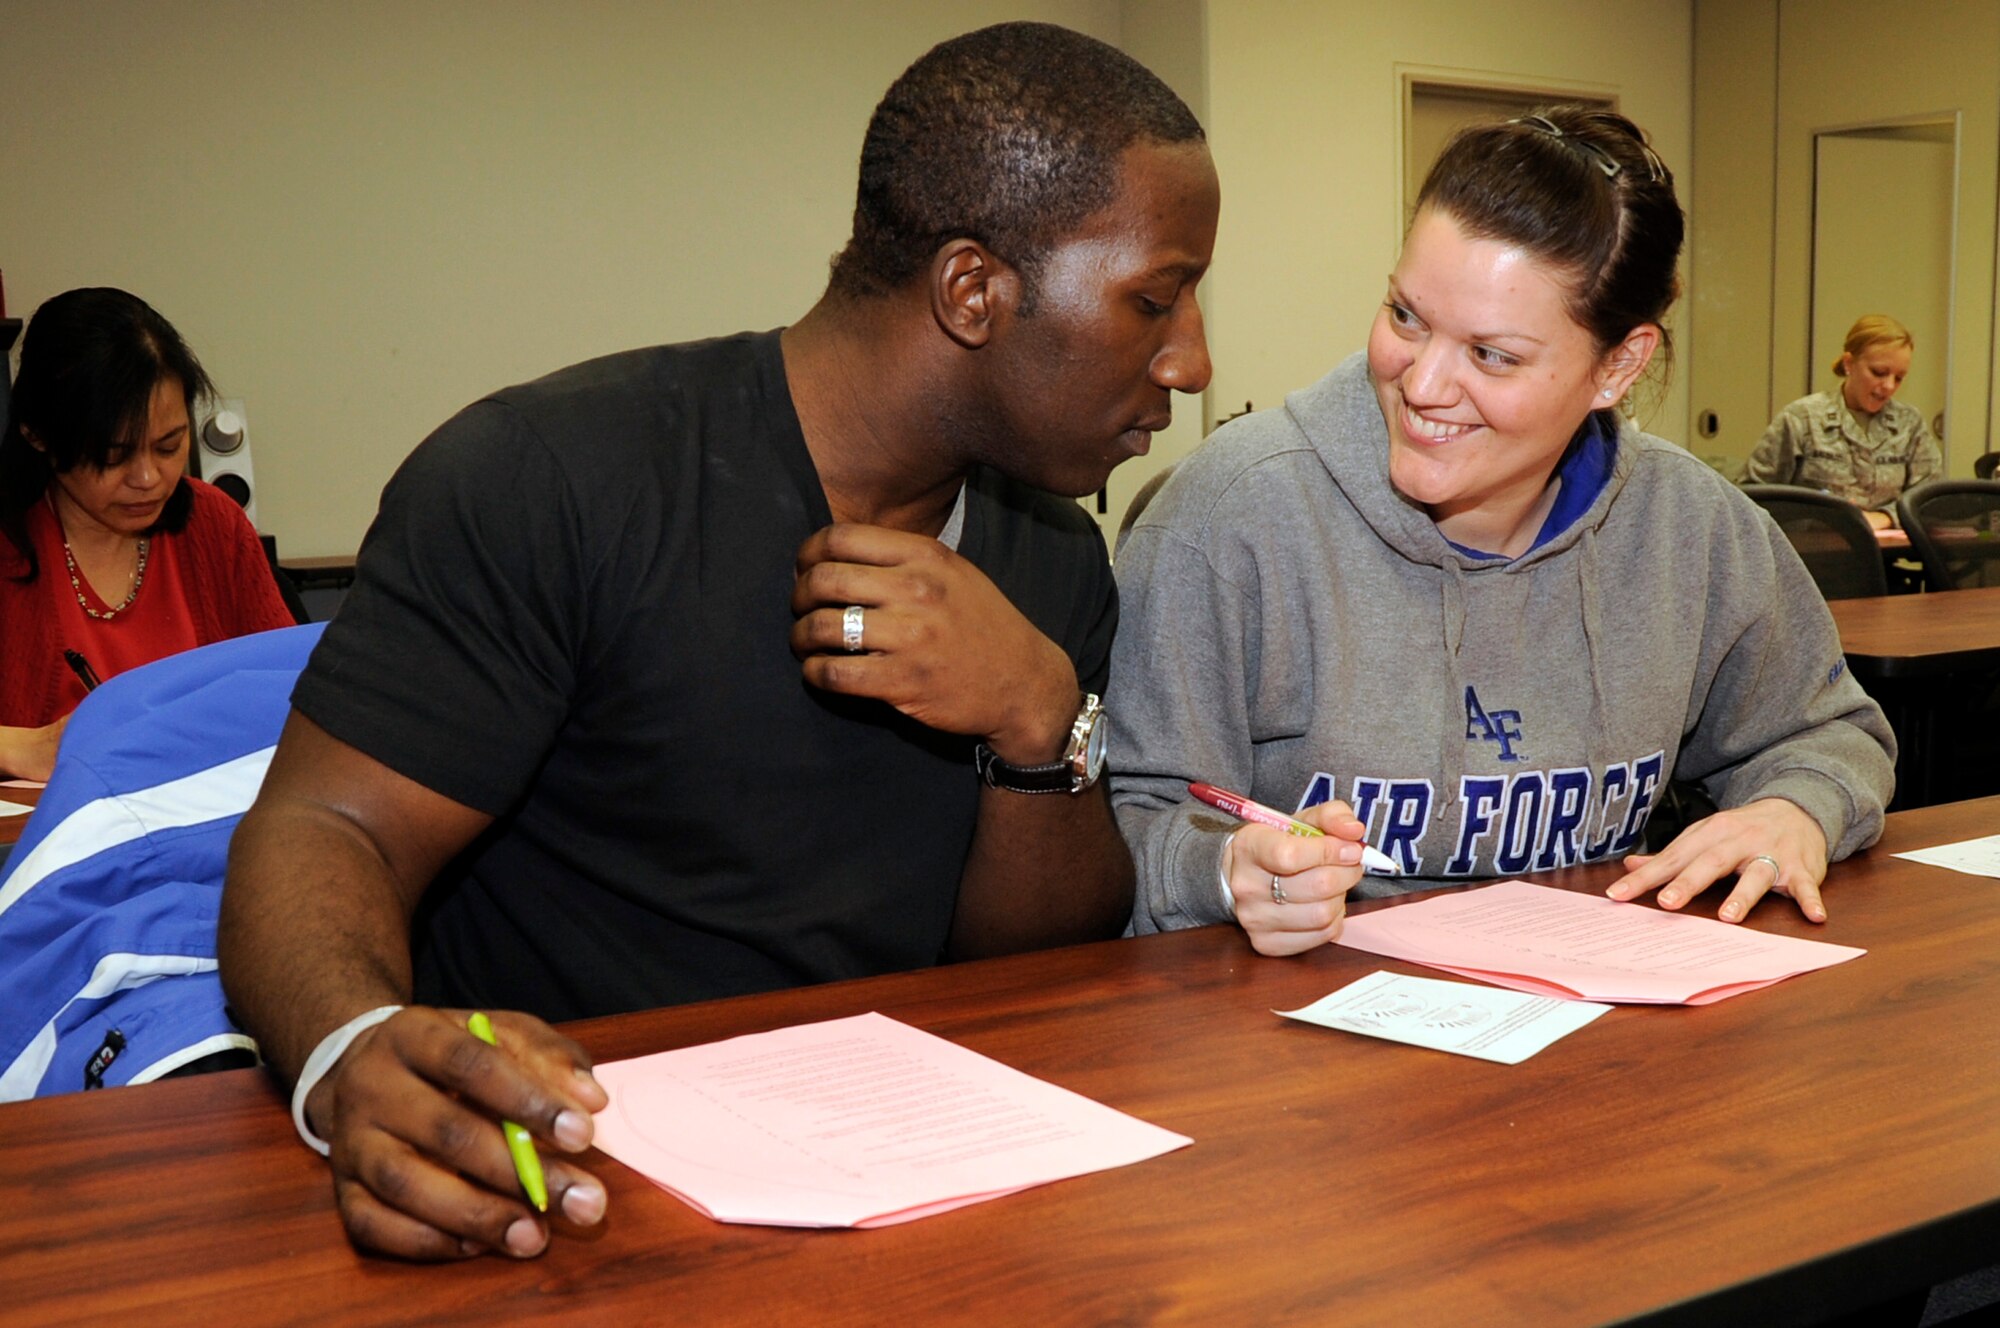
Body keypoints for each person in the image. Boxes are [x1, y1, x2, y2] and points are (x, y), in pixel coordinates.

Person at [218, 22, 1217, 1262]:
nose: (1190, 358)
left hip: (903, 1187)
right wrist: (349, 1050)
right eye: (1154, 298)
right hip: (564, 1189)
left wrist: (1036, 714)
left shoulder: (1050, 553)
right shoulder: (556, 477)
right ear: (971, 292)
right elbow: (328, 826)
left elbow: (1029, 969)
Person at [1110, 107, 1894, 961]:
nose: (1425, 383)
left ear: (1619, 366)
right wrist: (1221, 870)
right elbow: (1128, 821)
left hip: (1599, 1032)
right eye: (1406, 316)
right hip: (1301, 1047)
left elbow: (1827, 733)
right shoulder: (1227, 518)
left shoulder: (1694, 530)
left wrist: (1796, 807)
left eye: (1492, 355)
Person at [0, 288, 295, 780]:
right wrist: (17, 745)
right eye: (113, 455)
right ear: (38, 436)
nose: (148, 479)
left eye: (168, 445)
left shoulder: (213, 525)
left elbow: (298, 692)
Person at [1744, 314, 1941, 529]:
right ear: (1849, 363)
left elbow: (1930, 499)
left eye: (1899, 377)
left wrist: (1885, 518)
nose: (1889, 386)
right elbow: (1752, 496)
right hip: (1812, 555)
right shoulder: (1802, 418)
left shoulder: (1908, 423)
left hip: (1885, 558)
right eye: (1879, 372)